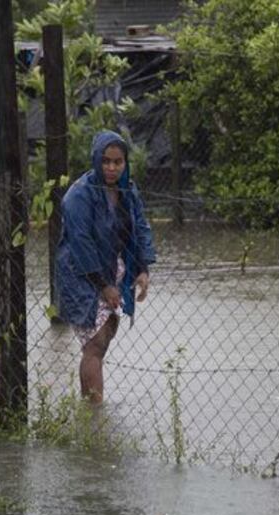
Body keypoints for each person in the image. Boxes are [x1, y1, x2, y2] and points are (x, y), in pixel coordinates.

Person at [55, 130, 156, 404]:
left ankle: (91, 410)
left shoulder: (127, 190)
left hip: (114, 267)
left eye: (118, 162)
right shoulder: (79, 195)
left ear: (125, 163)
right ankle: (94, 414)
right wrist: (103, 286)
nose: (111, 168)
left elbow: (140, 227)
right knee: (95, 343)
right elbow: (81, 243)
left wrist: (143, 268)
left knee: (106, 333)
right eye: (106, 161)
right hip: (81, 275)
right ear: (96, 160)